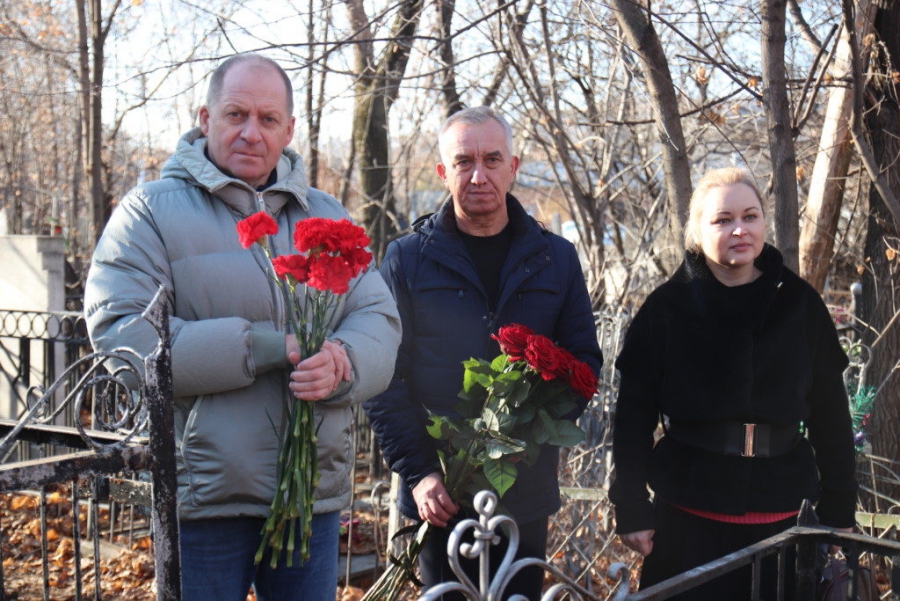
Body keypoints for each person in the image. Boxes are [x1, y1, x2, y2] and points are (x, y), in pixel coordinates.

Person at [83, 53, 401, 601]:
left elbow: (380, 319)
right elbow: (124, 335)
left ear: (289, 130)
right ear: (206, 118)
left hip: (308, 497)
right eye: (236, 114)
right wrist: (265, 348)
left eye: (268, 119)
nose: (251, 133)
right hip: (204, 499)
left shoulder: (326, 214)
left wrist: (343, 360)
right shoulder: (150, 213)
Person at [364, 106, 603, 599]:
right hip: (440, 496)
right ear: (442, 171)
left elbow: (584, 364)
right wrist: (420, 473)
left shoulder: (556, 258)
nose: (479, 175)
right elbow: (382, 376)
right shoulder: (407, 259)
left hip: (524, 492)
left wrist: (527, 434)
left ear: (512, 167)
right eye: (463, 162)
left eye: (492, 160)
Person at [609, 167, 858, 599]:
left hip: (784, 523)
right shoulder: (666, 309)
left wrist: (839, 508)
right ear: (697, 230)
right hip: (686, 520)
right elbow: (633, 418)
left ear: (764, 222)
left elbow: (831, 417)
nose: (739, 229)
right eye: (723, 220)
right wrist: (630, 505)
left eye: (750, 216)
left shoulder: (800, 305)